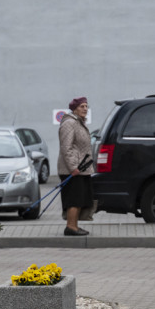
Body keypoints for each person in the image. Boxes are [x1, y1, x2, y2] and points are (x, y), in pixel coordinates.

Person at [58, 96, 93, 236]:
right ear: (74, 109)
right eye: (81, 106)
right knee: (74, 199)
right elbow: (66, 147)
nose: (85, 109)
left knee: (80, 199)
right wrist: (73, 167)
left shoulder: (79, 123)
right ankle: (70, 227)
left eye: (86, 106)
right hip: (73, 170)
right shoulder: (69, 123)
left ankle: (74, 226)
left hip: (81, 168)